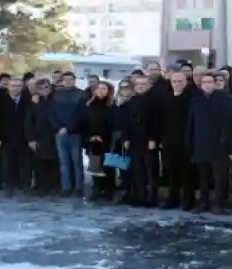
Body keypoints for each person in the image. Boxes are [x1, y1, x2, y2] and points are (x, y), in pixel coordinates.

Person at [187, 73, 232, 214]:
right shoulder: (196, 99)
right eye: (204, 82)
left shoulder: (224, 99)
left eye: (210, 81)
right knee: (203, 178)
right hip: (200, 144)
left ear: (215, 84)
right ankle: (204, 202)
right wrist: (190, 142)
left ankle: (218, 203)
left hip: (218, 145)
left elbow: (228, 123)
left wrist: (225, 143)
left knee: (219, 178)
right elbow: (191, 122)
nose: (207, 84)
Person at [124, 75, 162, 206]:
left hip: (149, 140)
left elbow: (157, 121)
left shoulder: (155, 101)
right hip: (134, 140)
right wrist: (126, 138)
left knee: (151, 171)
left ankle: (152, 198)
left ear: (148, 86)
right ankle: (140, 196)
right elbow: (127, 121)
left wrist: (153, 138)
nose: (140, 86)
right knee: (137, 170)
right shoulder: (132, 100)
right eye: (138, 84)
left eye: (143, 84)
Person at [160, 71, 194, 210]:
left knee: (187, 173)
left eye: (180, 81)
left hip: (186, 141)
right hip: (169, 141)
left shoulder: (190, 98)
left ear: (185, 82)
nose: (177, 84)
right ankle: (172, 199)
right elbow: (161, 121)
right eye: (174, 81)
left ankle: (187, 201)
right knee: (172, 172)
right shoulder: (166, 98)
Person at [48, 71, 85, 197]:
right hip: (60, 133)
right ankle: (66, 187)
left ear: (75, 81)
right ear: (62, 81)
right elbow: (51, 114)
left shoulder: (81, 94)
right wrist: (58, 127)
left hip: (75, 133)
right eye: (66, 80)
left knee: (77, 162)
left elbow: (82, 115)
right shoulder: (56, 95)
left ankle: (79, 187)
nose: (68, 82)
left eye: (71, 80)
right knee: (63, 162)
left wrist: (69, 128)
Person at [0, 77, 32, 196]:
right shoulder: (0, 101)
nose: (16, 88)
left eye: (19, 86)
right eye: (13, 85)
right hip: (6, 138)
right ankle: (9, 185)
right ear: (8, 87)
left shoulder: (28, 101)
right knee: (8, 163)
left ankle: (25, 185)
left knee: (24, 163)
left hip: (23, 137)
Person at [24, 79, 59, 197]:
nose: (45, 89)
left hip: (55, 136)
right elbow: (28, 122)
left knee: (54, 163)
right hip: (39, 137)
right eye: (42, 87)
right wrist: (31, 139)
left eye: (47, 87)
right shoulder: (34, 103)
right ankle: (41, 186)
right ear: (37, 89)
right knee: (40, 163)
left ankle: (54, 186)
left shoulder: (56, 100)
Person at [82, 81, 116, 201]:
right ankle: (97, 189)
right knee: (95, 167)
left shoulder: (112, 106)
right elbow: (85, 123)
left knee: (109, 166)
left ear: (108, 91)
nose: (101, 91)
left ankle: (109, 191)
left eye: (104, 89)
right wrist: (90, 136)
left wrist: (102, 135)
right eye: (99, 88)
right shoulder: (89, 105)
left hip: (108, 141)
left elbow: (112, 123)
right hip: (93, 141)